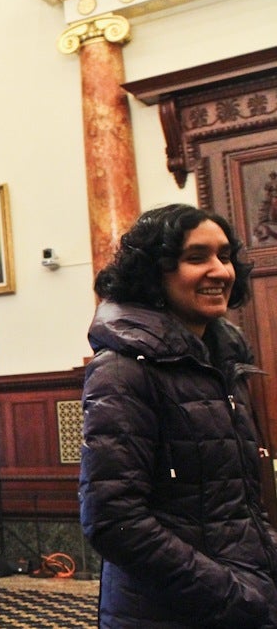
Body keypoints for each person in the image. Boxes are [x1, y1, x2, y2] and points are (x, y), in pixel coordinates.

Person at [79, 204, 277, 628]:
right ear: (154, 273)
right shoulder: (122, 369)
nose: (220, 271)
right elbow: (114, 520)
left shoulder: (223, 366)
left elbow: (237, 507)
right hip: (168, 613)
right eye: (196, 257)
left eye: (224, 256)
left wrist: (266, 569)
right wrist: (234, 593)